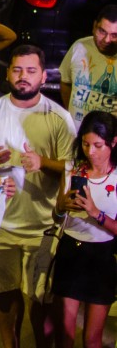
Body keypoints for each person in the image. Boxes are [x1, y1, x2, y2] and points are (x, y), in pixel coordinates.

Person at [0, 44, 77, 348]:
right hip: (0, 226)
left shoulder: (59, 118)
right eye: (17, 69)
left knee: (40, 300)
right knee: (3, 293)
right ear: (7, 73)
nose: (23, 76)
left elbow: (73, 168)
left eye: (30, 71)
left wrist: (43, 163)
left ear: (43, 76)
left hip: (42, 227)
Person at [52, 110, 117, 348]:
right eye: (86, 144)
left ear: (113, 142)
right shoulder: (72, 169)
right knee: (65, 335)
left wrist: (95, 213)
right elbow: (57, 217)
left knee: (92, 339)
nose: (91, 152)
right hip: (71, 250)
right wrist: (61, 206)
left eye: (98, 145)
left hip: (102, 256)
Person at [61, 5, 117, 124]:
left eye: (114, 35)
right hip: (76, 134)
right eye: (102, 31)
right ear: (94, 27)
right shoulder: (79, 47)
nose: (107, 40)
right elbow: (65, 83)